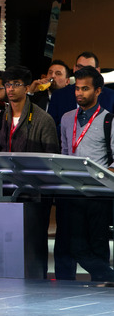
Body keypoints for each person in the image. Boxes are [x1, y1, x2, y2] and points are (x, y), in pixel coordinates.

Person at [0, 65, 59, 279]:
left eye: (16, 84)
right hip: (4, 192)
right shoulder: (0, 116)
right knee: (6, 250)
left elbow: (51, 160)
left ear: (27, 88)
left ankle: (37, 288)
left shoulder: (43, 120)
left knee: (32, 250)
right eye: (8, 84)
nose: (10, 89)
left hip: (33, 196)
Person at [59, 66, 114, 282]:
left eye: (85, 89)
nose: (79, 93)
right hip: (72, 191)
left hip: (98, 193)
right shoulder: (66, 118)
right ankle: (109, 278)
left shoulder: (109, 120)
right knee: (76, 245)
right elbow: (64, 152)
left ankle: (102, 284)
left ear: (98, 91)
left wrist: (105, 175)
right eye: (77, 89)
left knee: (98, 242)